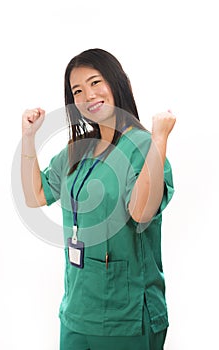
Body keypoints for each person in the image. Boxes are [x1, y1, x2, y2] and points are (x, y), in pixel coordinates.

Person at [21, 48, 176, 350]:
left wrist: (160, 138)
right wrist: (28, 137)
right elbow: (34, 196)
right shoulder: (77, 150)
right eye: (77, 90)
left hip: (126, 317)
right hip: (77, 313)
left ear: (118, 83)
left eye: (95, 82)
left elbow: (142, 213)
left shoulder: (142, 146)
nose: (87, 95)